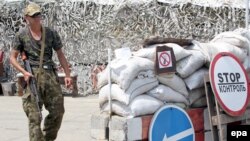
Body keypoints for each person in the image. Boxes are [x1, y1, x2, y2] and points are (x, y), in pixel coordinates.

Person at [10, 2, 72, 141]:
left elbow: (60, 54)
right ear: (27, 18)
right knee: (34, 117)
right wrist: (24, 72)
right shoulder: (21, 35)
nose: (37, 17)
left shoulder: (50, 33)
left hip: (49, 75)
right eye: (34, 15)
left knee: (58, 111)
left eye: (39, 14)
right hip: (31, 77)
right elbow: (12, 58)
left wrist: (67, 75)